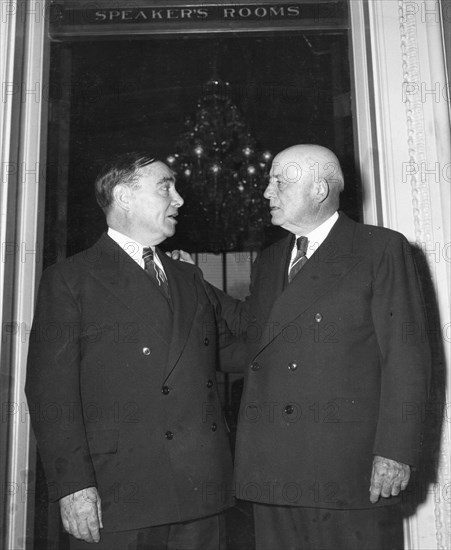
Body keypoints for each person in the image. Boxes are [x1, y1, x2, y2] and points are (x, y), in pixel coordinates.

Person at [198, 144, 431, 549]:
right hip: (274, 466)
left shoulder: (379, 249)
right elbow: (255, 335)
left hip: (346, 468)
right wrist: (192, 282)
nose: (267, 192)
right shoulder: (270, 260)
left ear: (319, 189)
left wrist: (395, 452)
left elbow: (406, 359)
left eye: (279, 182)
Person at [25, 153, 233, 550]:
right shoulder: (71, 279)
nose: (179, 199)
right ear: (124, 196)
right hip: (118, 493)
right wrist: (73, 486)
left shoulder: (188, 275)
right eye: (166, 187)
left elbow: (234, 348)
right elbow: (50, 392)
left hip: (201, 489)